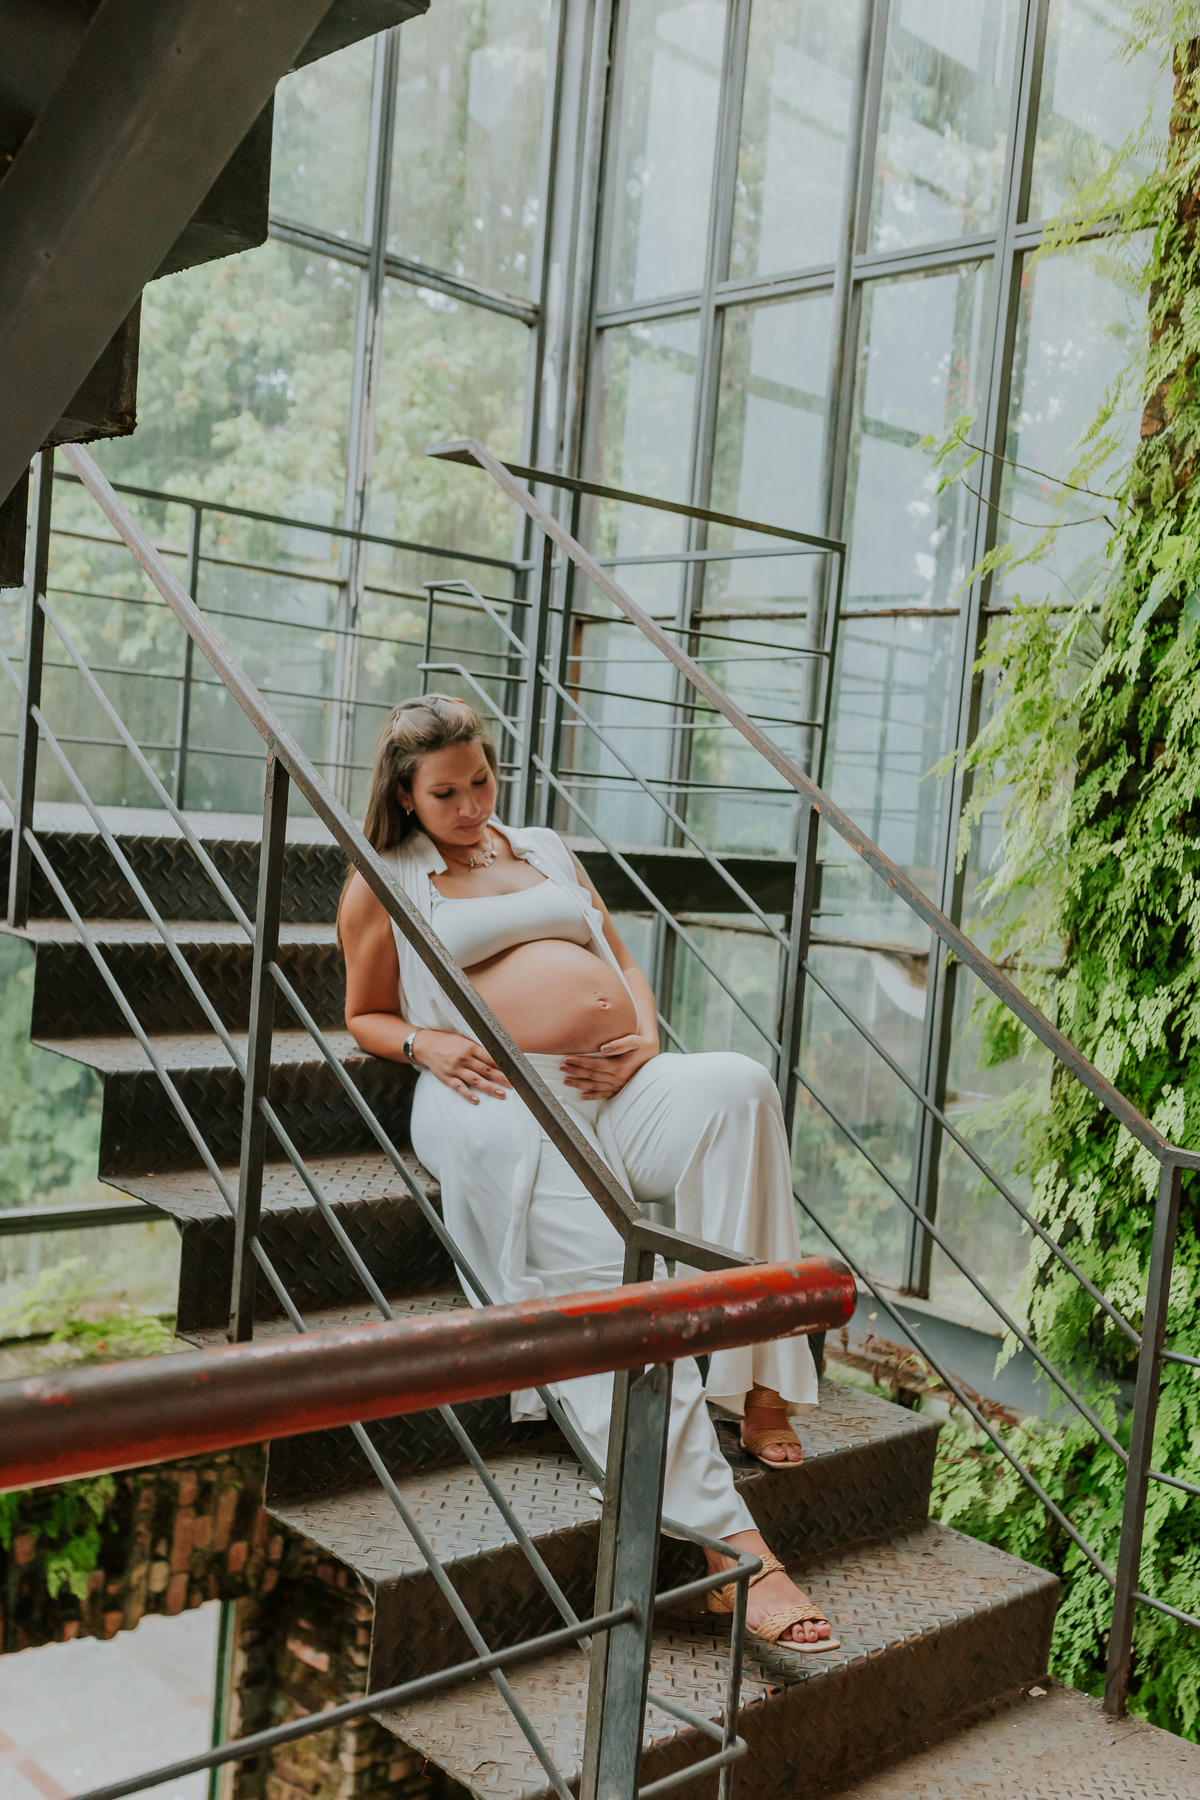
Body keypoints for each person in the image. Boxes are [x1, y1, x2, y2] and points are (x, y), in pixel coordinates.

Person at [339, 694, 837, 1651]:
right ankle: (735, 1548)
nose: (472, 804)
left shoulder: (546, 847)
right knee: (611, 1271)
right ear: (404, 795)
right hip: (499, 1095)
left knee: (738, 1087)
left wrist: (643, 1035)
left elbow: (617, 955)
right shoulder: (384, 877)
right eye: (446, 793)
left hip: (618, 1078)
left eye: (480, 779)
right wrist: (424, 1044)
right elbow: (362, 1012)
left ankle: (760, 1373)